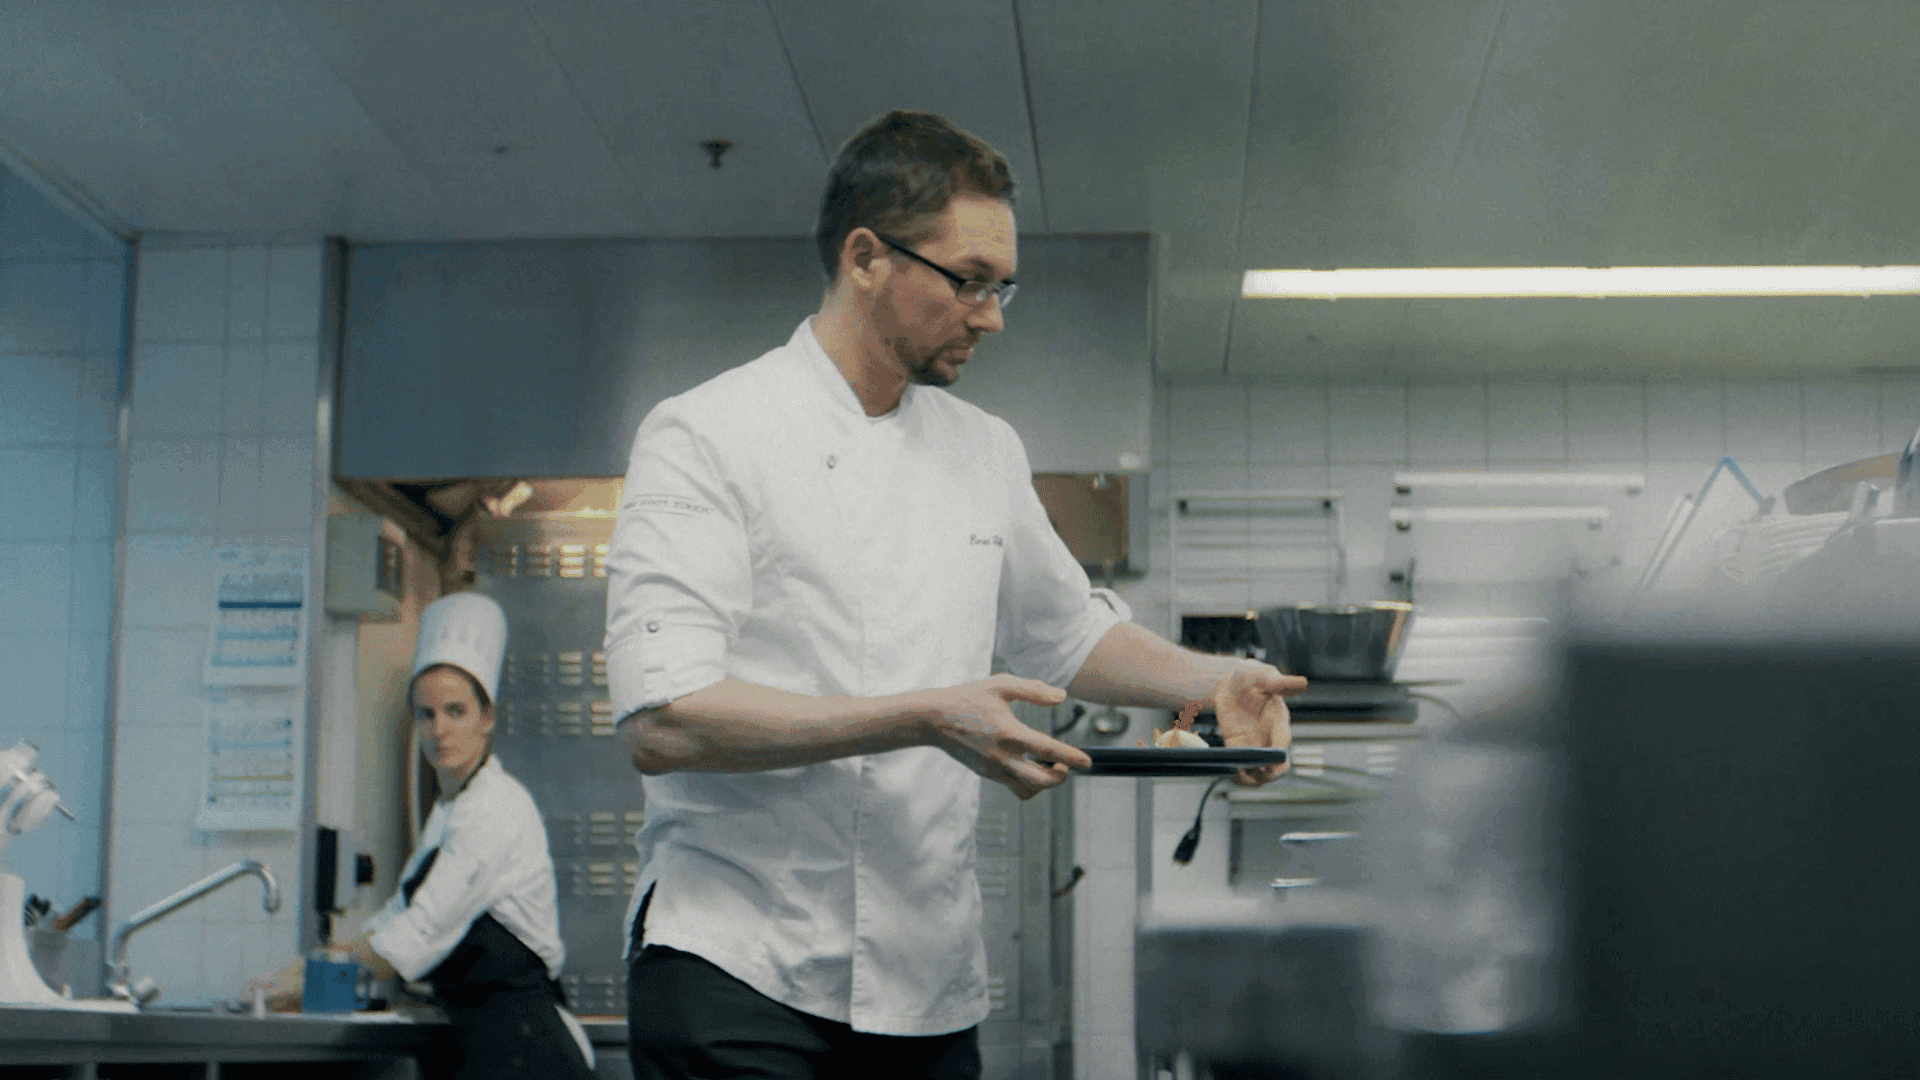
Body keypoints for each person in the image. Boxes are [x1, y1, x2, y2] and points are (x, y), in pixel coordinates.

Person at [606, 109, 1302, 1080]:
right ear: (865, 258)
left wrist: (1217, 682)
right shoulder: (707, 433)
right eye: (969, 281)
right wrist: (928, 716)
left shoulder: (984, 450)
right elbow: (664, 719)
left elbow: (1067, 634)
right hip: (737, 964)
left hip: (923, 982)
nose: (992, 316)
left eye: (1001, 285)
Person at [258, 592, 594, 1080]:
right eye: (426, 713)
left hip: (525, 1047)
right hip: (479, 1042)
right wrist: (315, 963)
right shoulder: (449, 809)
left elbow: (422, 929)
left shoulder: (496, 807)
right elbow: (397, 914)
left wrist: (310, 977)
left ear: (487, 718)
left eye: (456, 711)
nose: (439, 730)